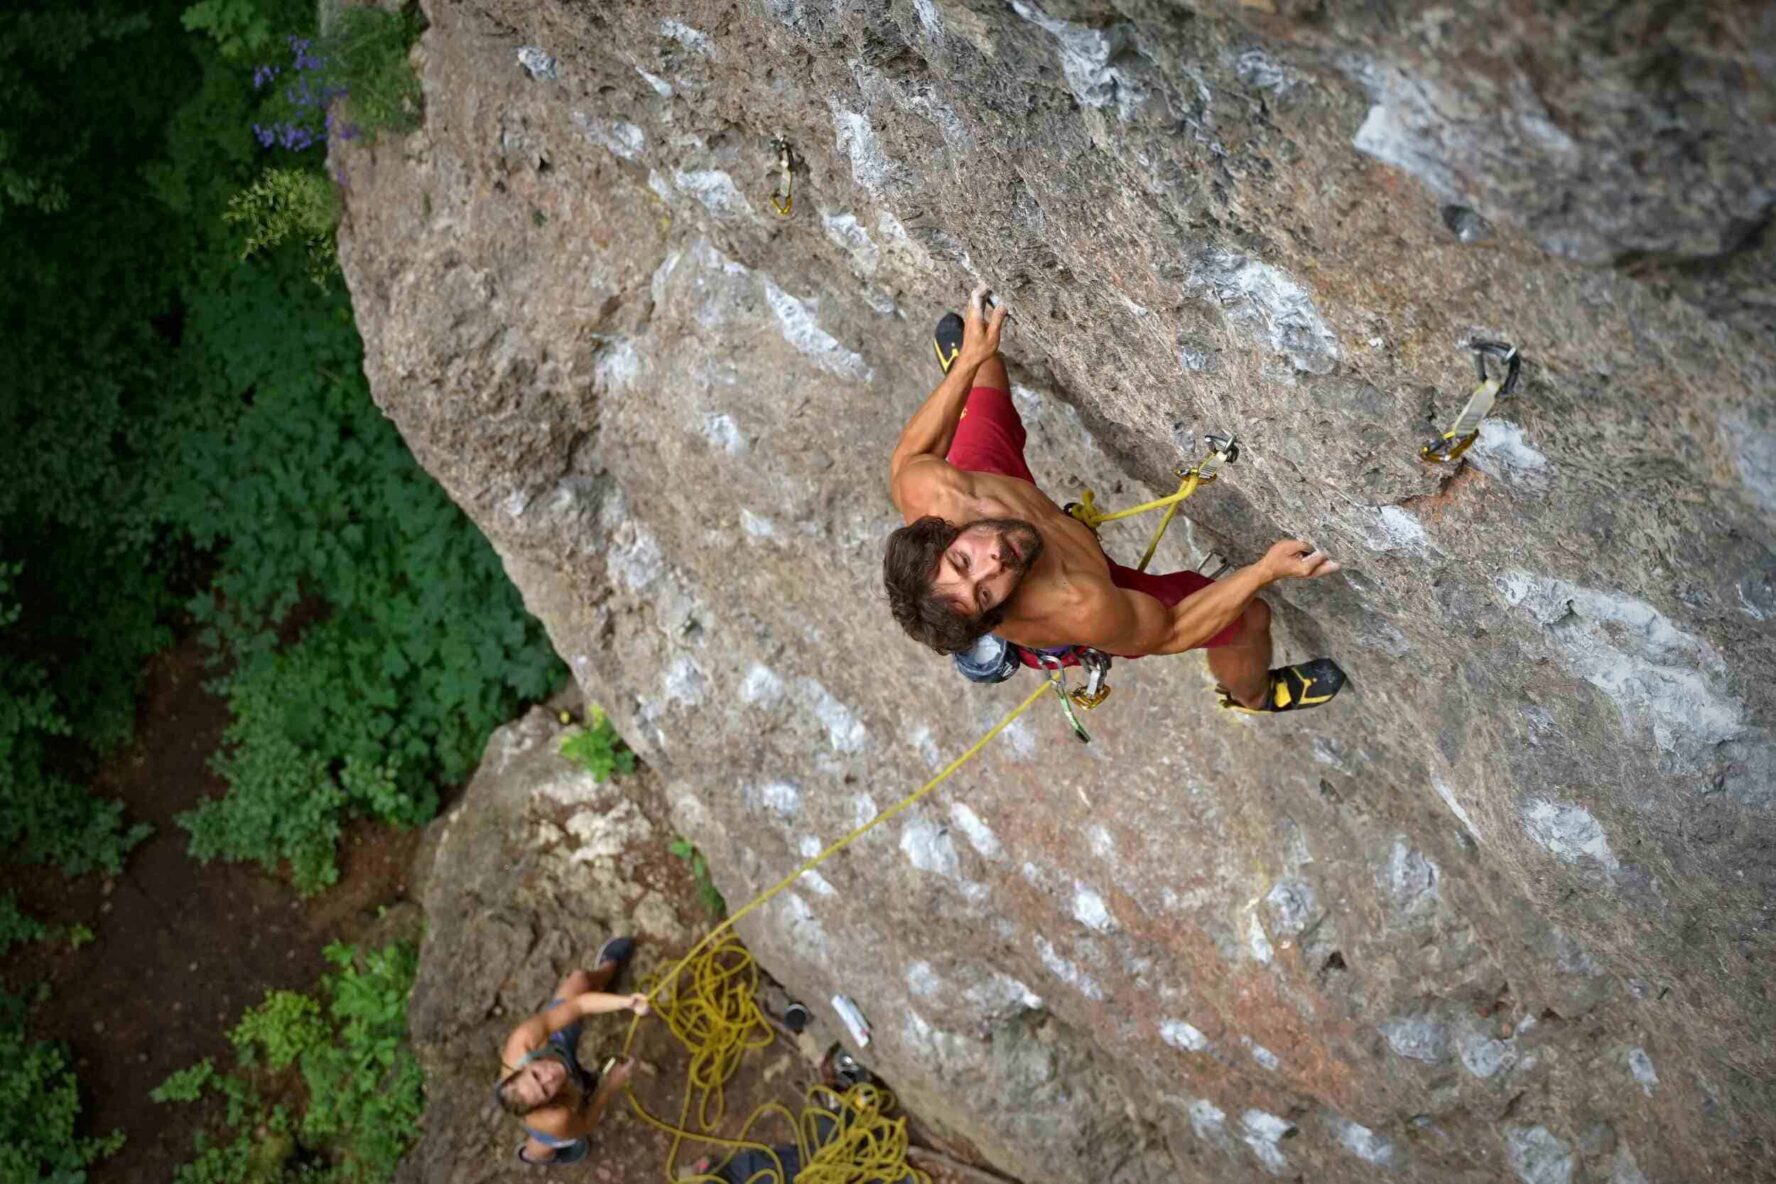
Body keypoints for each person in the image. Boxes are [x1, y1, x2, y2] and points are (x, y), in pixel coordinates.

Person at [885, 287, 1346, 713]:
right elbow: (1172, 629)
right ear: (996, 613)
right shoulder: (1078, 605)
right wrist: (1263, 571)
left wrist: (969, 362)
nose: (993, 564)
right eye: (984, 594)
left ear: (944, 534)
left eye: (963, 561)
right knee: (1250, 617)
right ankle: (1254, 695)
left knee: (983, 371)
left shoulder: (936, 491)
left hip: (995, 489)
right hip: (1081, 570)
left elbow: (911, 455)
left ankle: (964, 370)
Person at [493, 937, 651, 1166]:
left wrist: (627, 1002)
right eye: (545, 1090)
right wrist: (609, 1087)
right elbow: (584, 1125)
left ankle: (608, 968)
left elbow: (578, 1005)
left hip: (554, 1046)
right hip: (559, 1096)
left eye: (536, 1075)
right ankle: (535, 1156)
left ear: (526, 1066)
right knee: (547, 1138)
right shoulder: (554, 1118)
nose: (550, 1076)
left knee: (579, 979)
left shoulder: (523, 1039)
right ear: (548, 1102)